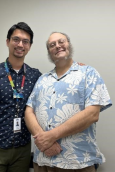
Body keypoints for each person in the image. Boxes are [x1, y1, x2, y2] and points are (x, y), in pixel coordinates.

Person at [25, 32, 112, 172]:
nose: (57, 46)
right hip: (42, 161)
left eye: (61, 41)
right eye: (52, 45)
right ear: (49, 52)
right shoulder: (42, 79)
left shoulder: (88, 73)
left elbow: (92, 114)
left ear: (69, 44)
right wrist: (45, 142)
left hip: (77, 162)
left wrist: (52, 136)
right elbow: (29, 111)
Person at [0, 22, 42, 172]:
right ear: (7, 42)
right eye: (16, 39)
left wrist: (72, 66)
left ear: (29, 46)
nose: (20, 44)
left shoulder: (35, 76)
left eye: (25, 41)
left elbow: (55, 81)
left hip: (22, 149)